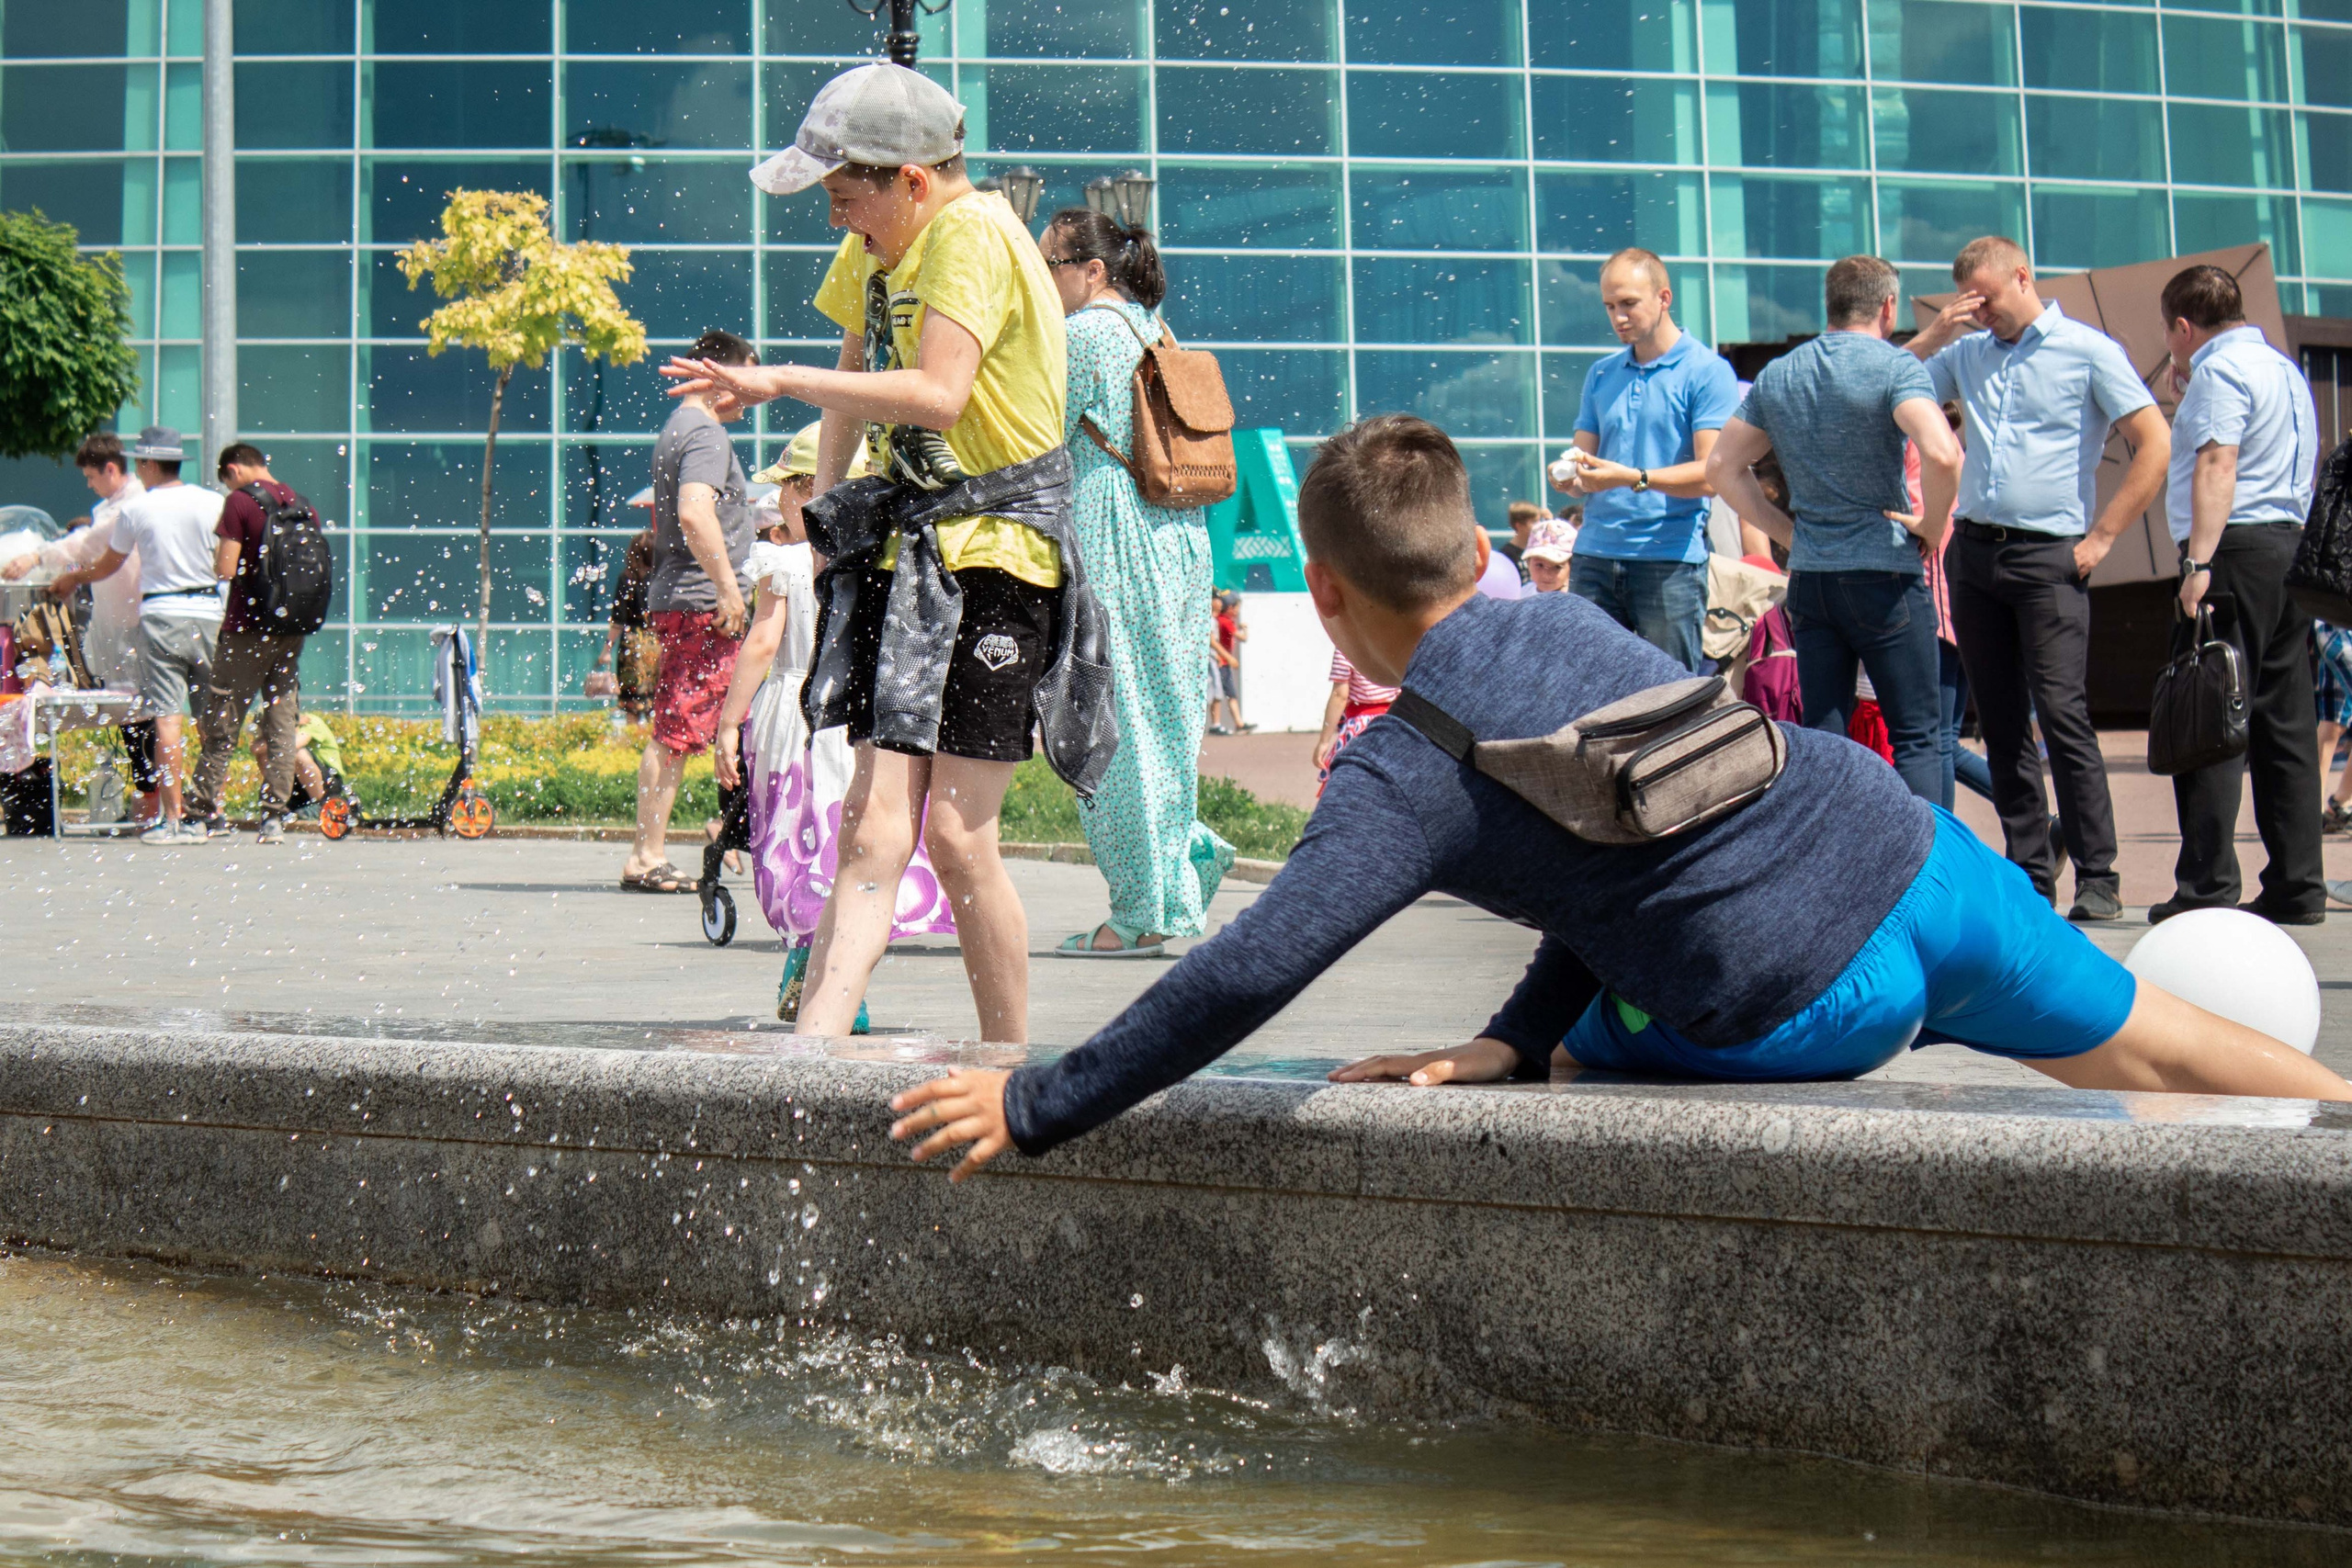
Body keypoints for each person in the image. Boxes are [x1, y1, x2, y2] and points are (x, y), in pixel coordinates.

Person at [878, 414, 2352, 1180]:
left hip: (1794, 1000)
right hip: (1908, 854)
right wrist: (1511, 1029)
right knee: (2162, 1049)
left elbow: (1254, 964)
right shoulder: (1575, 624)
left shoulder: (1403, 768)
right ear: (1471, 549)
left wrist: (1039, 1099)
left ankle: (1562, 1055)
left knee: (1602, 1034)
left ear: (1326, 597)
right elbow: (1625, 828)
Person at [663, 62, 1114, 1044]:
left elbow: (941, 393)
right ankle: (810, 1058)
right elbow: (848, 380)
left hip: (998, 561)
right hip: (908, 556)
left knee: (955, 836)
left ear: (910, 179)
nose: (837, 220)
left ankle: (1008, 1063)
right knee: (871, 824)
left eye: (845, 197)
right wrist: (824, 532)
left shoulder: (970, 234)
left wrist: (768, 378)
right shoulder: (880, 247)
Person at [1906, 235, 2171, 923]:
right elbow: (1890, 388)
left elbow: (2154, 441)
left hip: (2051, 557)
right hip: (1976, 555)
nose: (1979, 315)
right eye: (1968, 305)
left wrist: (2103, 537)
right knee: (1998, 721)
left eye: (1986, 301)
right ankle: (2030, 873)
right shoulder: (1965, 352)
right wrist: (1936, 334)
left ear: (2021, 277)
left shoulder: (2088, 351)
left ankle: (2099, 874)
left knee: (2063, 715)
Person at [1041, 206, 1236, 958]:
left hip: (1112, 534)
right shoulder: (1158, 329)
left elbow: (1034, 432)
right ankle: (1178, 870)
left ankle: (1137, 909)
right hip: (1179, 541)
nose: (1045, 280)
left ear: (1092, 272)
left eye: (1052, 265)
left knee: (1107, 719)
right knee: (1169, 716)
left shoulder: (1084, 335)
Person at [712, 423, 956, 1022]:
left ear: (807, 488)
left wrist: (727, 722)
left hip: (792, 710)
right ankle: (840, 975)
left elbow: (764, 644)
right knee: (839, 838)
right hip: (849, 716)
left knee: (793, 834)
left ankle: (812, 966)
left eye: (785, 491)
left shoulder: (787, 562)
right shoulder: (871, 558)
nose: (779, 504)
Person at [1707, 255, 1962, 804]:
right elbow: (1944, 454)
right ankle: (1932, 875)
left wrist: (1790, 533)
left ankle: (1833, 871)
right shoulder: (1895, 369)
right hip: (1884, 574)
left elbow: (1722, 468)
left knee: (1824, 741)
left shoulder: (1781, 373)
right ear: (1887, 307)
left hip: (1813, 582)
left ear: (1832, 304)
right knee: (1918, 737)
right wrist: (1933, 525)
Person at [2160, 265, 2324, 925]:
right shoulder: (2283, 368)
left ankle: (2206, 885)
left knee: (2208, 712)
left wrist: (2198, 559)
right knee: (2285, 723)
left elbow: (2218, 461)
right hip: (2289, 548)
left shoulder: (2219, 373)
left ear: (2182, 325)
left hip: (2234, 550)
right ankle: (2298, 884)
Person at [1548, 248, 1740, 671]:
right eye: (1610, 306)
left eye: (1629, 303)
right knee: (1586, 692)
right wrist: (1570, 477)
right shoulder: (1601, 373)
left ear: (1664, 297)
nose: (1618, 317)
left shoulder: (1708, 371)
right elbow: (1585, 463)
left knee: (1670, 699)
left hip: (1667, 558)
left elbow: (1712, 475)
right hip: (1594, 554)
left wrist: (1629, 478)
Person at [622, 328, 759, 895]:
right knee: (680, 730)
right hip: (703, 603)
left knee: (730, 722)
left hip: (690, 600)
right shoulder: (704, 433)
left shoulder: (682, 428)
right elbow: (696, 514)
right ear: (721, 375)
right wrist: (729, 590)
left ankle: (731, 828)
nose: (751, 391)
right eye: (747, 375)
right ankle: (646, 856)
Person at [45, 426, 222, 844]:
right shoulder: (213, 502)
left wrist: (73, 580)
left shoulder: (138, 510)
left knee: (166, 719)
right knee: (212, 721)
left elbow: (107, 564)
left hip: (161, 615)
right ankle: (212, 812)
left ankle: (176, 819)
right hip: (208, 611)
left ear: (145, 464)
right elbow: (227, 561)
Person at [1, 433, 155, 823]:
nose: (89, 484)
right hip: (118, 623)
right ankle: (148, 797)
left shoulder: (130, 507)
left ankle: (152, 801)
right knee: (135, 717)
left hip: (134, 624)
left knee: (144, 716)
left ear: (110, 469)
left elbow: (87, 543)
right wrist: (68, 575)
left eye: (91, 476)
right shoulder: (113, 506)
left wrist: (36, 556)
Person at [187, 443, 315, 843]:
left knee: (222, 719)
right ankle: (274, 817)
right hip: (291, 627)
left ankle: (200, 813)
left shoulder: (240, 502)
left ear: (233, 469)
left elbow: (226, 569)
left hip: (246, 629)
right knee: (281, 722)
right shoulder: (301, 502)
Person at [587, 517, 658, 726]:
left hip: (632, 645)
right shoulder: (661, 579)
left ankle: (631, 745)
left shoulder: (626, 579)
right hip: (656, 643)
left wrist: (607, 649)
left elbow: (618, 619)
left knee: (631, 701)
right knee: (656, 699)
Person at [1208, 590, 1249, 734]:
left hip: (1219, 660)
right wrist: (1245, 630)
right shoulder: (1223, 621)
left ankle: (1236, 723)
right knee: (1221, 693)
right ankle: (1221, 724)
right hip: (1221, 661)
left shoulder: (1218, 620)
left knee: (1222, 693)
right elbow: (1213, 641)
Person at [1522, 517, 1576, 593]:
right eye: (1539, 565)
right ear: (1528, 563)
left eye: (1557, 567)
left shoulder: (1576, 598)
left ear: (1571, 567)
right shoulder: (1523, 593)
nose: (1546, 575)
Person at [1500, 500, 1542, 584]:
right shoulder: (1507, 554)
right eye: (1534, 522)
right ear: (1519, 525)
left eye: (1539, 521)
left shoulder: (1538, 550)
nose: (1539, 526)